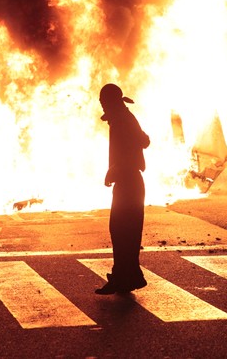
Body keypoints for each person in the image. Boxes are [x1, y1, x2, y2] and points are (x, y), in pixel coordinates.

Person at [95, 83, 150, 295]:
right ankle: (127, 277)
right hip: (128, 181)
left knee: (122, 230)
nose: (102, 106)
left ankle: (125, 277)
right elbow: (141, 141)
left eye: (103, 101)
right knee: (123, 231)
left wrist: (115, 169)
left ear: (111, 101)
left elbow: (141, 142)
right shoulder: (121, 118)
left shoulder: (123, 120)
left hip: (129, 182)